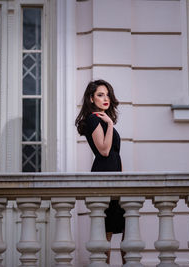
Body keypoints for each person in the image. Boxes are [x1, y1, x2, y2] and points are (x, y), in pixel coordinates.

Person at [75, 79, 125, 264]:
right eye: (100, 95)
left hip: (115, 176)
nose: (106, 98)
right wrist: (110, 125)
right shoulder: (94, 119)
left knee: (122, 229)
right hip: (104, 174)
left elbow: (115, 154)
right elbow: (104, 150)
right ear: (91, 98)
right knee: (107, 232)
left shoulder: (102, 118)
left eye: (107, 94)